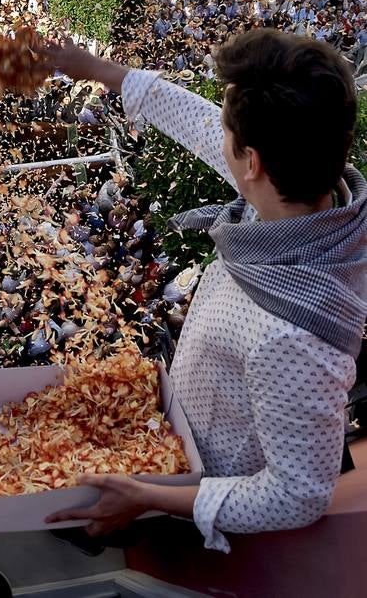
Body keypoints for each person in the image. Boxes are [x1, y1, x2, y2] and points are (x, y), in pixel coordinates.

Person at [43, 29, 366, 551]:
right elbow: (197, 123)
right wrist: (100, 70)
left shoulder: (295, 334)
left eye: (229, 133)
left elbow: (298, 494)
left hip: (194, 498)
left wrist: (150, 498)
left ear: (252, 163)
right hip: (171, 431)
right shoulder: (301, 188)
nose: (218, 136)